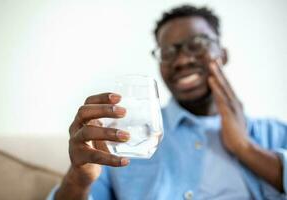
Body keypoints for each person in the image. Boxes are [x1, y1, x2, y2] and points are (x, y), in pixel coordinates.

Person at [48, 5, 287, 200]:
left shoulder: (276, 135)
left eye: (198, 44)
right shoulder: (123, 138)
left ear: (222, 55)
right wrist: (78, 178)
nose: (181, 61)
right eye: (168, 52)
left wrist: (245, 148)